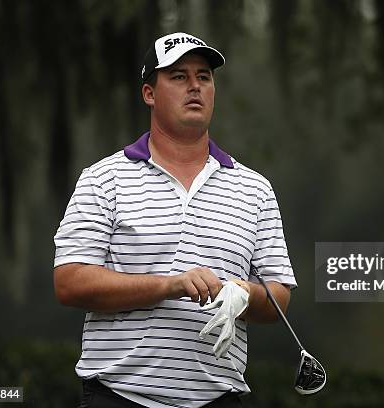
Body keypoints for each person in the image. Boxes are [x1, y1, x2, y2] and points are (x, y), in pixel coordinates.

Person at [53, 32, 297, 408]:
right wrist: (170, 286)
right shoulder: (103, 179)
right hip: (119, 397)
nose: (195, 86)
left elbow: (279, 296)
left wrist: (242, 294)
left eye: (204, 76)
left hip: (218, 398)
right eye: (179, 76)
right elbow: (70, 282)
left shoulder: (255, 189)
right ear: (149, 93)